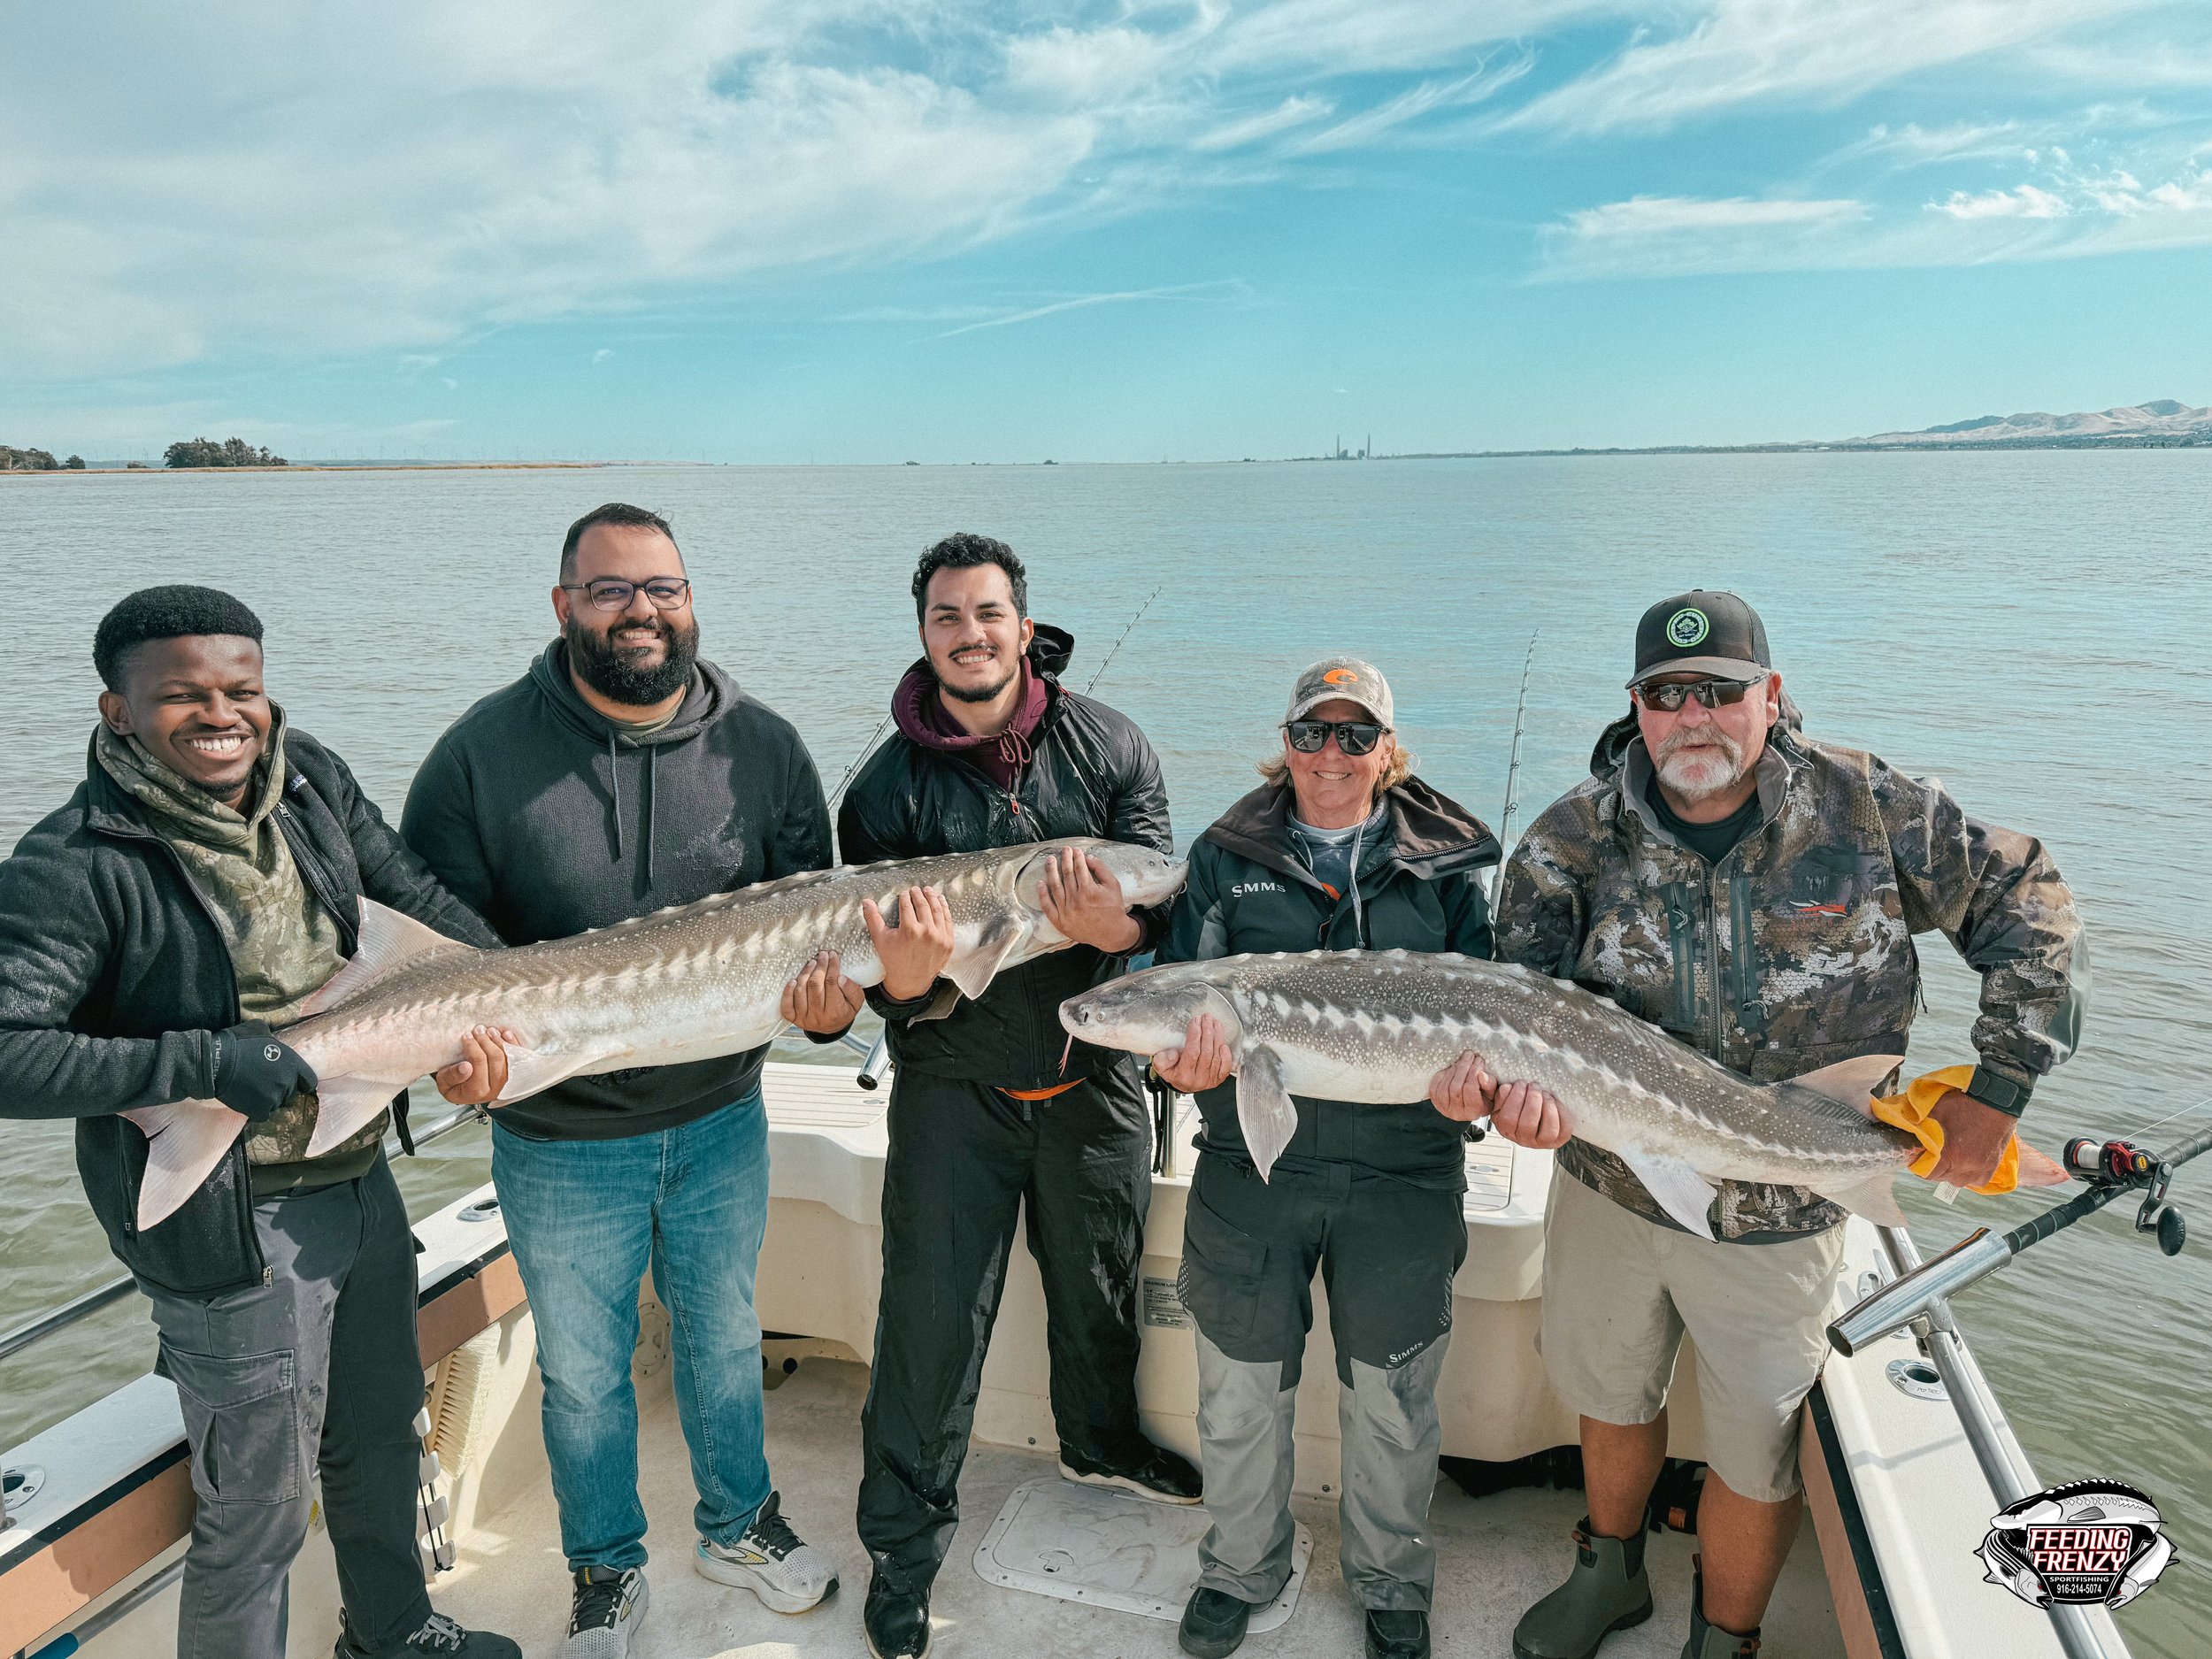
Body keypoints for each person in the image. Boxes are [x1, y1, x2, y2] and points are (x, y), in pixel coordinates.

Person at [1487, 590, 2084, 1659]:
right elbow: (1512, 1014)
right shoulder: (1569, 837)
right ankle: (1609, 1573)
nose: (1694, 718)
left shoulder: (1867, 805)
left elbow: (2028, 901)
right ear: (1636, 707)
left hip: (1791, 1198)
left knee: (1757, 1446)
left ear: (1770, 695)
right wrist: (1507, 1103)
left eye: (1719, 691)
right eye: (1666, 697)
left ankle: (1725, 1636)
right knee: (1612, 1397)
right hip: (1613, 1185)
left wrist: (1997, 1095)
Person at [0, 587, 519, 1659]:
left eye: (242, 689)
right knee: (259, 1510)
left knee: (383, 1438)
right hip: (235, 1228)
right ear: (117, 710)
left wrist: (511, 996)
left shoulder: (310, 780)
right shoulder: (74, 862)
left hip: (360, 1179)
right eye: (182, 696)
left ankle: (394, 1633)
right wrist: (207, 1062)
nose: (221, 714)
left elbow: (408, 890)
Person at [401, 504, 850, 1659]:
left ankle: (740, 1522)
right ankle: (604, 1566)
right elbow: (425, 954)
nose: (641, 610)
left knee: (722, 1338)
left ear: (691, 597)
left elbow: (825, 951)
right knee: (587, 1373)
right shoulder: (478, 754)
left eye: (663, 587)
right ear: (563, 606)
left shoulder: (768, 747)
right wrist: (459, 1056)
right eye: (611, 590)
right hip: (556, 1137)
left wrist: (831, 1004)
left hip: (720, 1117)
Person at [836, 532, 1201, 1659]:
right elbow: (879, 984)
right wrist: (903, 986)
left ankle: (1098, 1443)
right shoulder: (884, 788)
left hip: (1095, 1073)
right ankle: (903, 1550)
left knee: (1100, 1286)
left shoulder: (1110, 746)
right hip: (955, 1082)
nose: (970, 634)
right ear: (924, 635)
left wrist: (1123, 931)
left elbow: (1168, 906)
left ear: (1024, 626)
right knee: (931, 1322)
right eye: (947, 617)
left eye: (988, 614)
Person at [1149, 658, 1503, 1659]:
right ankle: (1238, 1568)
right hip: (1252, 1167)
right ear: (1287, 742)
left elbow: (1492, 1002)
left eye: (1357, 736)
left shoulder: (1447, 867)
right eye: (1314, 734)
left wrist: (1474, 1087)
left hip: (1406, 1167)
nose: (1332, 756)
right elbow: (1168, 980)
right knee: (1237, 1389)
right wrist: (1179, 1068)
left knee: (1393, 1393)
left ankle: (1391, 1580)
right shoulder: (1225, 855)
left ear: (1387, 752)